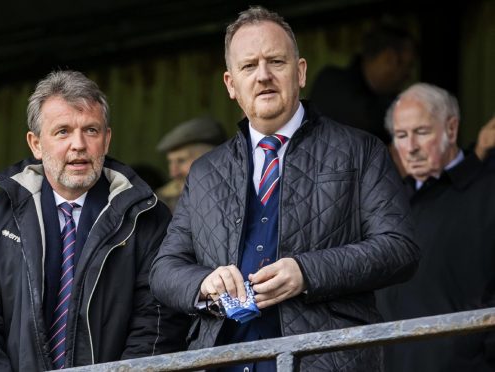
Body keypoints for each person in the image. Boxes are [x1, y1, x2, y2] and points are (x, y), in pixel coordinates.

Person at [150, 6, 419, 372]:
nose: (263, 76)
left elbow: (399, 247)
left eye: (276, 61)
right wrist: (204, 282)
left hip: (325, 361)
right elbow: (164, 270)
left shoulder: (360, 150)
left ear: (301, 71)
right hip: (223, 361)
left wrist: (307, 272)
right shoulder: (205, 172)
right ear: (231, 84)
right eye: (249, 66)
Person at [0, 70, 188, 371]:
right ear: (35, 144)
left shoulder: (146, 216)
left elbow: (157, 324)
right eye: (62, 131)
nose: (78, 144)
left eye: (91, 130)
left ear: (107, 139)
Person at [376, 83, 495, 371]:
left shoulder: (488, 191)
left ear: (451, 129)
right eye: (401, 136)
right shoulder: (386, 203)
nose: (411, 147)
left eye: (422, 132)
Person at [309, 23, 416, 144]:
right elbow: (365, 121)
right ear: (389, 58)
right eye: (407, 66)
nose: (408, 76)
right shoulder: (331, 83)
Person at [155, 116, 226, 211]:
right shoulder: (161, 201)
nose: (173, 173)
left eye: (181, 160)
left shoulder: (242, 192)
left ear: (213, 159)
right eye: (170, 162)